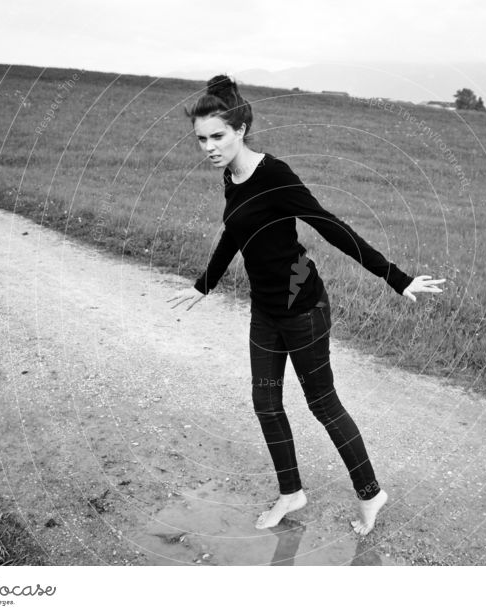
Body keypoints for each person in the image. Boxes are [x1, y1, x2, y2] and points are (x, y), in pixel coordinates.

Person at [167, 74, 445, 536]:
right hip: (266, 309)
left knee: (322, 403)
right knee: (266, 402)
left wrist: (395, 278)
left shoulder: (274, 175)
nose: (209, 147)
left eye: (217, 136)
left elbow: (329, 225)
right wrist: (204, 285)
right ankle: (291, 493)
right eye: (201, 139)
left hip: (302, 304)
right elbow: (235, 233)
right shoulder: (231, 175)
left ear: (240, 129)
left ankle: (371, 493)